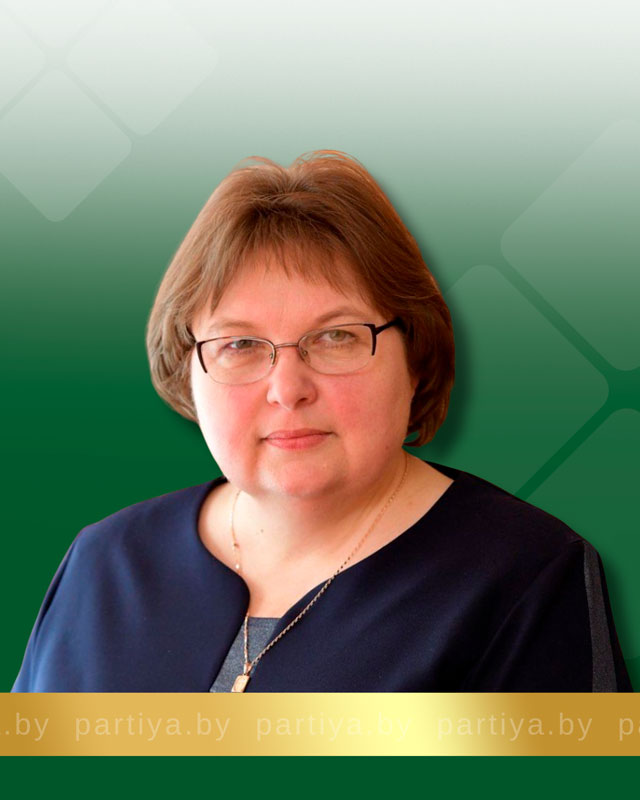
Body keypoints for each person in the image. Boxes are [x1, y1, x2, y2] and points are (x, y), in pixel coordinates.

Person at [13, 150, 632, 692]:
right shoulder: (102, 563)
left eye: (336, 337)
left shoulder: (528, 576)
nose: (288, 390)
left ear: (416, 356)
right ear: (188, 368)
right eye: (239, 344)